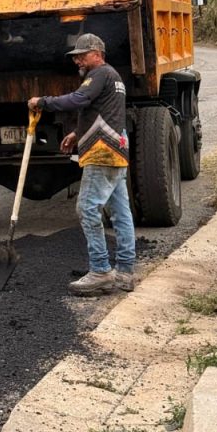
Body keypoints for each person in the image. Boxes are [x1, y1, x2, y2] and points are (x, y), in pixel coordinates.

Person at [27, 33, 136, 297]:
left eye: (82, 55)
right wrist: (77, 134)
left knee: (87, 208)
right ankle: (125, 272)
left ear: (97, 53)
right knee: (121, 212)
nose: (78, 60)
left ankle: (100, 271)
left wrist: (42, 101)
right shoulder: (114, 78)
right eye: (76, 56)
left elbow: (78, 100)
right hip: (116, 151)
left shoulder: (99, 74)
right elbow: (106, 112)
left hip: (102, 154)